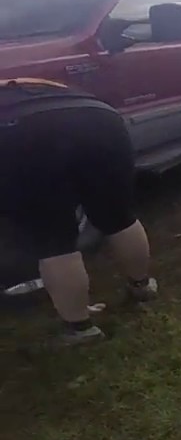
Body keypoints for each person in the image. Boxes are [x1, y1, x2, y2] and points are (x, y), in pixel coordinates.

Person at [0, 78, 158, 344]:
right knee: (118, 216)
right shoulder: (23, 83)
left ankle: (80, 328)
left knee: (52, 238)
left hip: (22, 132)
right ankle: (141, 287)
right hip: (98, 117)